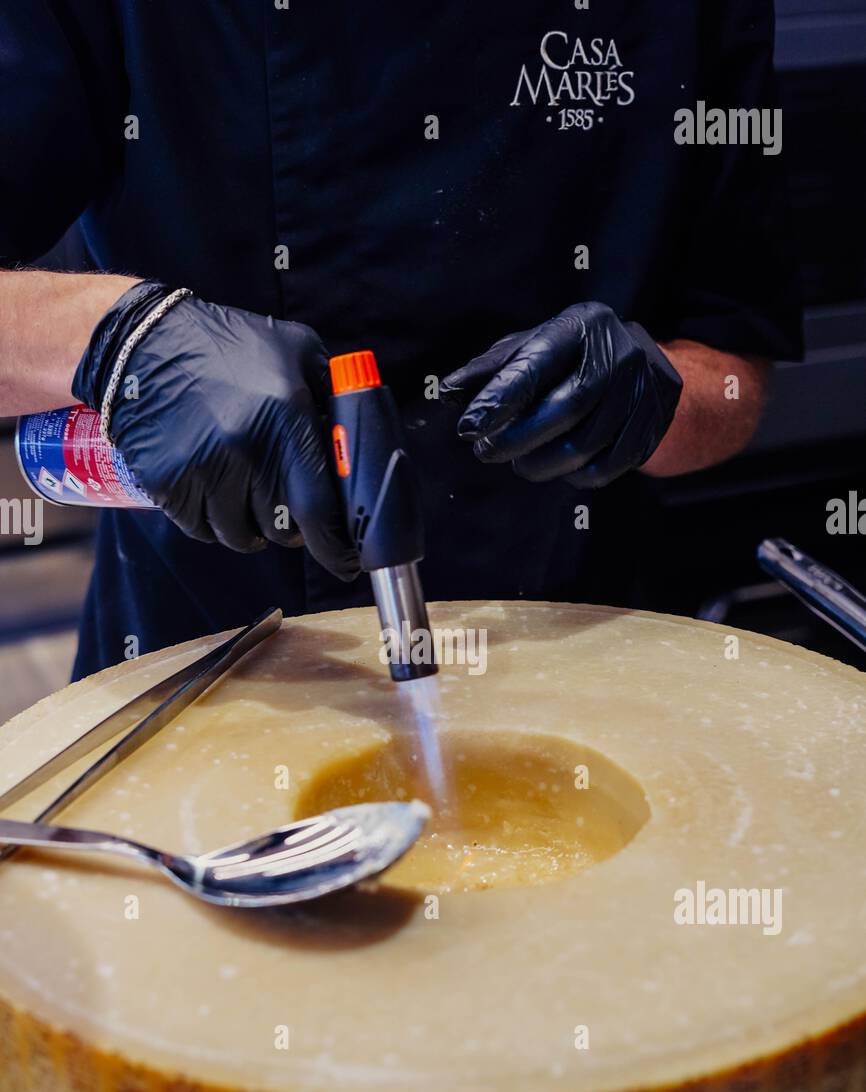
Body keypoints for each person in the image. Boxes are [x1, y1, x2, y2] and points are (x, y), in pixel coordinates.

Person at [0, 1, 802, 677]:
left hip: (575, 649)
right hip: (216, 658)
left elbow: (736, 367)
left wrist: (653, 402)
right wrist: (120, 342)